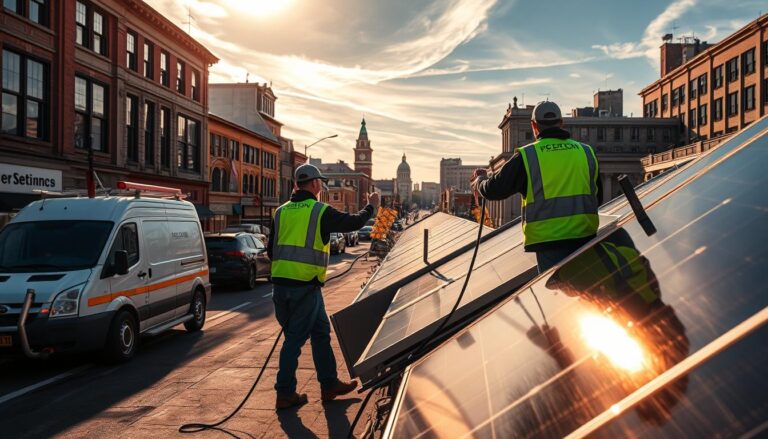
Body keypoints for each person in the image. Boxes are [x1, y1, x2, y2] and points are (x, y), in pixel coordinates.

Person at [268, 163, 380, 409]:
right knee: (294, 341)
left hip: (281, 288)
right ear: (316, 184)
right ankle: (284, 393)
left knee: (320, 332)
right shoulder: (319, 211)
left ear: (297, 185)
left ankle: (329, 384)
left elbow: (270, 250)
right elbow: (354, 222)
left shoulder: (281, 212)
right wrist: (372, 205)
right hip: (304, 287)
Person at [472, 101, 602, 273]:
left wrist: (480, 180)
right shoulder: (586, 152)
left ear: (534, 126)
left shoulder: (528, 156)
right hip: (586, 239)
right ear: (561, 122)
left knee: (556, 296)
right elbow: (597, 197)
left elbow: (494, 189)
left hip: (550, 245)